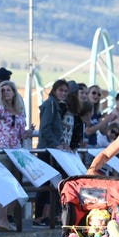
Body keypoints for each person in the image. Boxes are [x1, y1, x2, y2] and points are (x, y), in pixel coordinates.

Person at [0, 80, 34, 232]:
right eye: (3, 90)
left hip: (16, 150)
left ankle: (8, 217)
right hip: (3, 150)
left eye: (8, 90)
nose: (6, 93)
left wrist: (28, 132)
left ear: (14, 92)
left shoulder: (19, 110)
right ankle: (1, 219)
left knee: (16, 185)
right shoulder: (0, 109)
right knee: (5, 185)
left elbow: (21, 133)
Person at [33, 79, 68, 227]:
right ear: (54, 90)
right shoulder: (51, 105)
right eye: (61, 90)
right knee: (45, 185)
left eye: (65, 91)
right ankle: (39, 217)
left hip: (52, 150)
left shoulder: (56, 105)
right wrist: (55, 144)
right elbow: (45, 128)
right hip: (47, 150)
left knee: (51, 185)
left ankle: (46, 216)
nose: (63, 93)